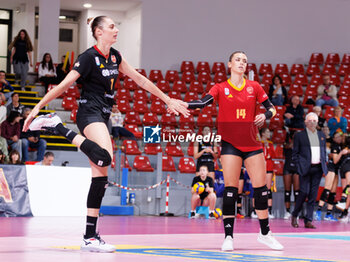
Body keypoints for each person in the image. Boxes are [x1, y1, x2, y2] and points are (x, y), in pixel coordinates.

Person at [23, 16, 188, 253]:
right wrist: (39, 106)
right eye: (111, 26)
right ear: (99, 32)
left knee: (100, 177)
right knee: (105, 157)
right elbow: (64, 85)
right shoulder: (88, 58)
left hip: (104, 116)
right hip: (88, 113)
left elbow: (139, 79)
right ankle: (57, 125)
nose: (116, 29)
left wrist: (167, 99)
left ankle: (90, 237)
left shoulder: (115, 57)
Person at [186, 51, 283, 251]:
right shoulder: (220, 87)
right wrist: (183, 104)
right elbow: (203, 103)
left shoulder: (254, 87)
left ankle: (265, 233)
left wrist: (265, 115)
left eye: (244, 61)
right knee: (231, 190)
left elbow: (272, 108)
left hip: (252, 143)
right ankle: (228, 237)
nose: (241, 63)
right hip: (230, 144)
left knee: (261, 190)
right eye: (238, 60)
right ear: (229, 64)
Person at [291, 112, 328, 229]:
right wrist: (298, 166)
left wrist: (324, 163)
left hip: (317, 168)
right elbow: (295, 153)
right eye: (310, 120)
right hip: (305, 168)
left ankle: (308, 220)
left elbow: (323, 152)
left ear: (317, 123)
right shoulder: (299, 135)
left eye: (314, 121)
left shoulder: (321, 135)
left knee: (313, 195)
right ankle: (295, 214)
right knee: (304, 192)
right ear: (306, 122)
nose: (312, 123)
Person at [315, 132, 343, 221]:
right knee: (327, 188)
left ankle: (328, 213)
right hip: (331, 168)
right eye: (337, 137)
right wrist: (342, 153)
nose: (339, 138)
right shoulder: (335, 146)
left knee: (333, 192)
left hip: (336, 169)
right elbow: (335, 160)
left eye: (340, 137)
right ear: (334, 139)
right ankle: (318, 211)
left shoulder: (340, 146)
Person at [282, 130, 299, 219]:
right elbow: (285, 149)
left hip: (296, 168)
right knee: (287, 191)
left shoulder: (300, 145)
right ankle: (287, 211)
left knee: (296, 192)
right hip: (288, 168)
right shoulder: (287, 144)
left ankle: (296, 212)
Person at [259, 128, 276, 218]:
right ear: (263, 134)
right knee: (259, 188)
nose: (269, 133)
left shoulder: (270, 144)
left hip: (268, 167)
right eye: (267, 132)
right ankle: (257, 210)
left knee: (268, 189)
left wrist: (268, 147)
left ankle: (269, 210)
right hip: (261, 167)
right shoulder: (259, 143)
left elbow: (273, 155)